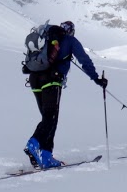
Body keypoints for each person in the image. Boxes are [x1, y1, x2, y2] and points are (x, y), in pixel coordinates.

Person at [23, 20, 107, 169]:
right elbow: (84, 60)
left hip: (34, 79)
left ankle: (45, 156)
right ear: (71, 31)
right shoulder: (69, 40)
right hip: (51, 79)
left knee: (48, 118)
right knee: (51, 117)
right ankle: (34, 143)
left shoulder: (46, 37)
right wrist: (96, 78)